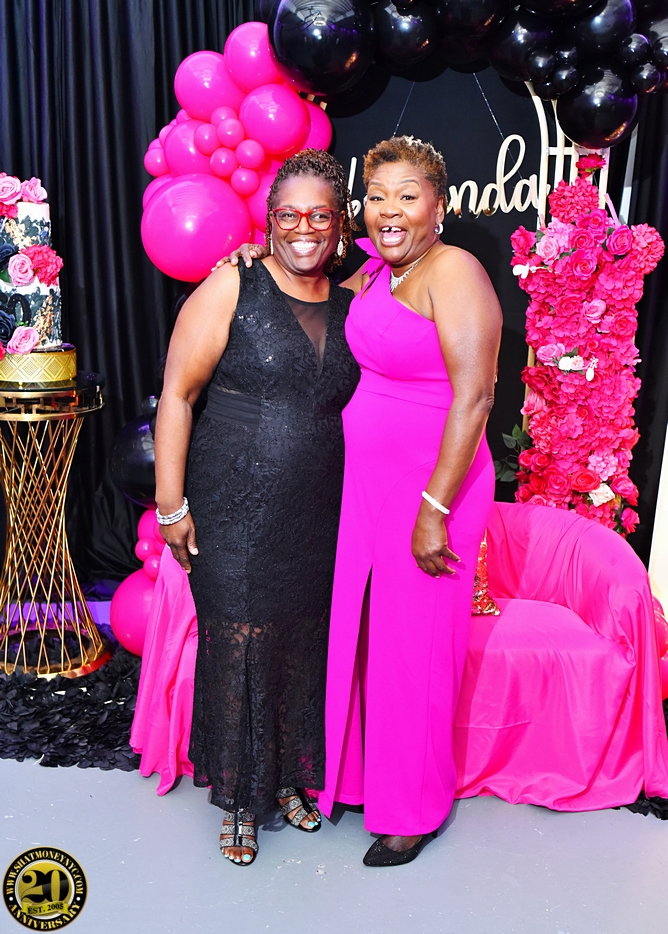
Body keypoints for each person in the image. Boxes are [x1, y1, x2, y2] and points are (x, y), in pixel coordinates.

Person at [224, 135, 502, 866]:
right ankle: (353, 778)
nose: (389, 210)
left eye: (408, 196)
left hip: (433, 485)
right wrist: (255, 257)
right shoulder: (378, 272)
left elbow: (475, 398)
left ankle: (412, 809)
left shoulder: (454, 271)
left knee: (416, 646)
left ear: (440, 205)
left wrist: (435, 508)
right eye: (377, 197)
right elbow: (306, 286)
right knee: (362, 633)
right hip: (367, 484)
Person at [153, 150, 360, 866]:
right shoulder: (233, 284)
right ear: (268, 221)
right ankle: (241, 797)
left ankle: (291, 779)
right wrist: (171, 504)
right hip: (232, 501)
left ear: (340, 223)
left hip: (317, 509)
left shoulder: (352, 301)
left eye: (319, 215)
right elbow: (178, 395)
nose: (304, 228)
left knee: (302, 641)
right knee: (239, 642)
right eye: (288, 215)